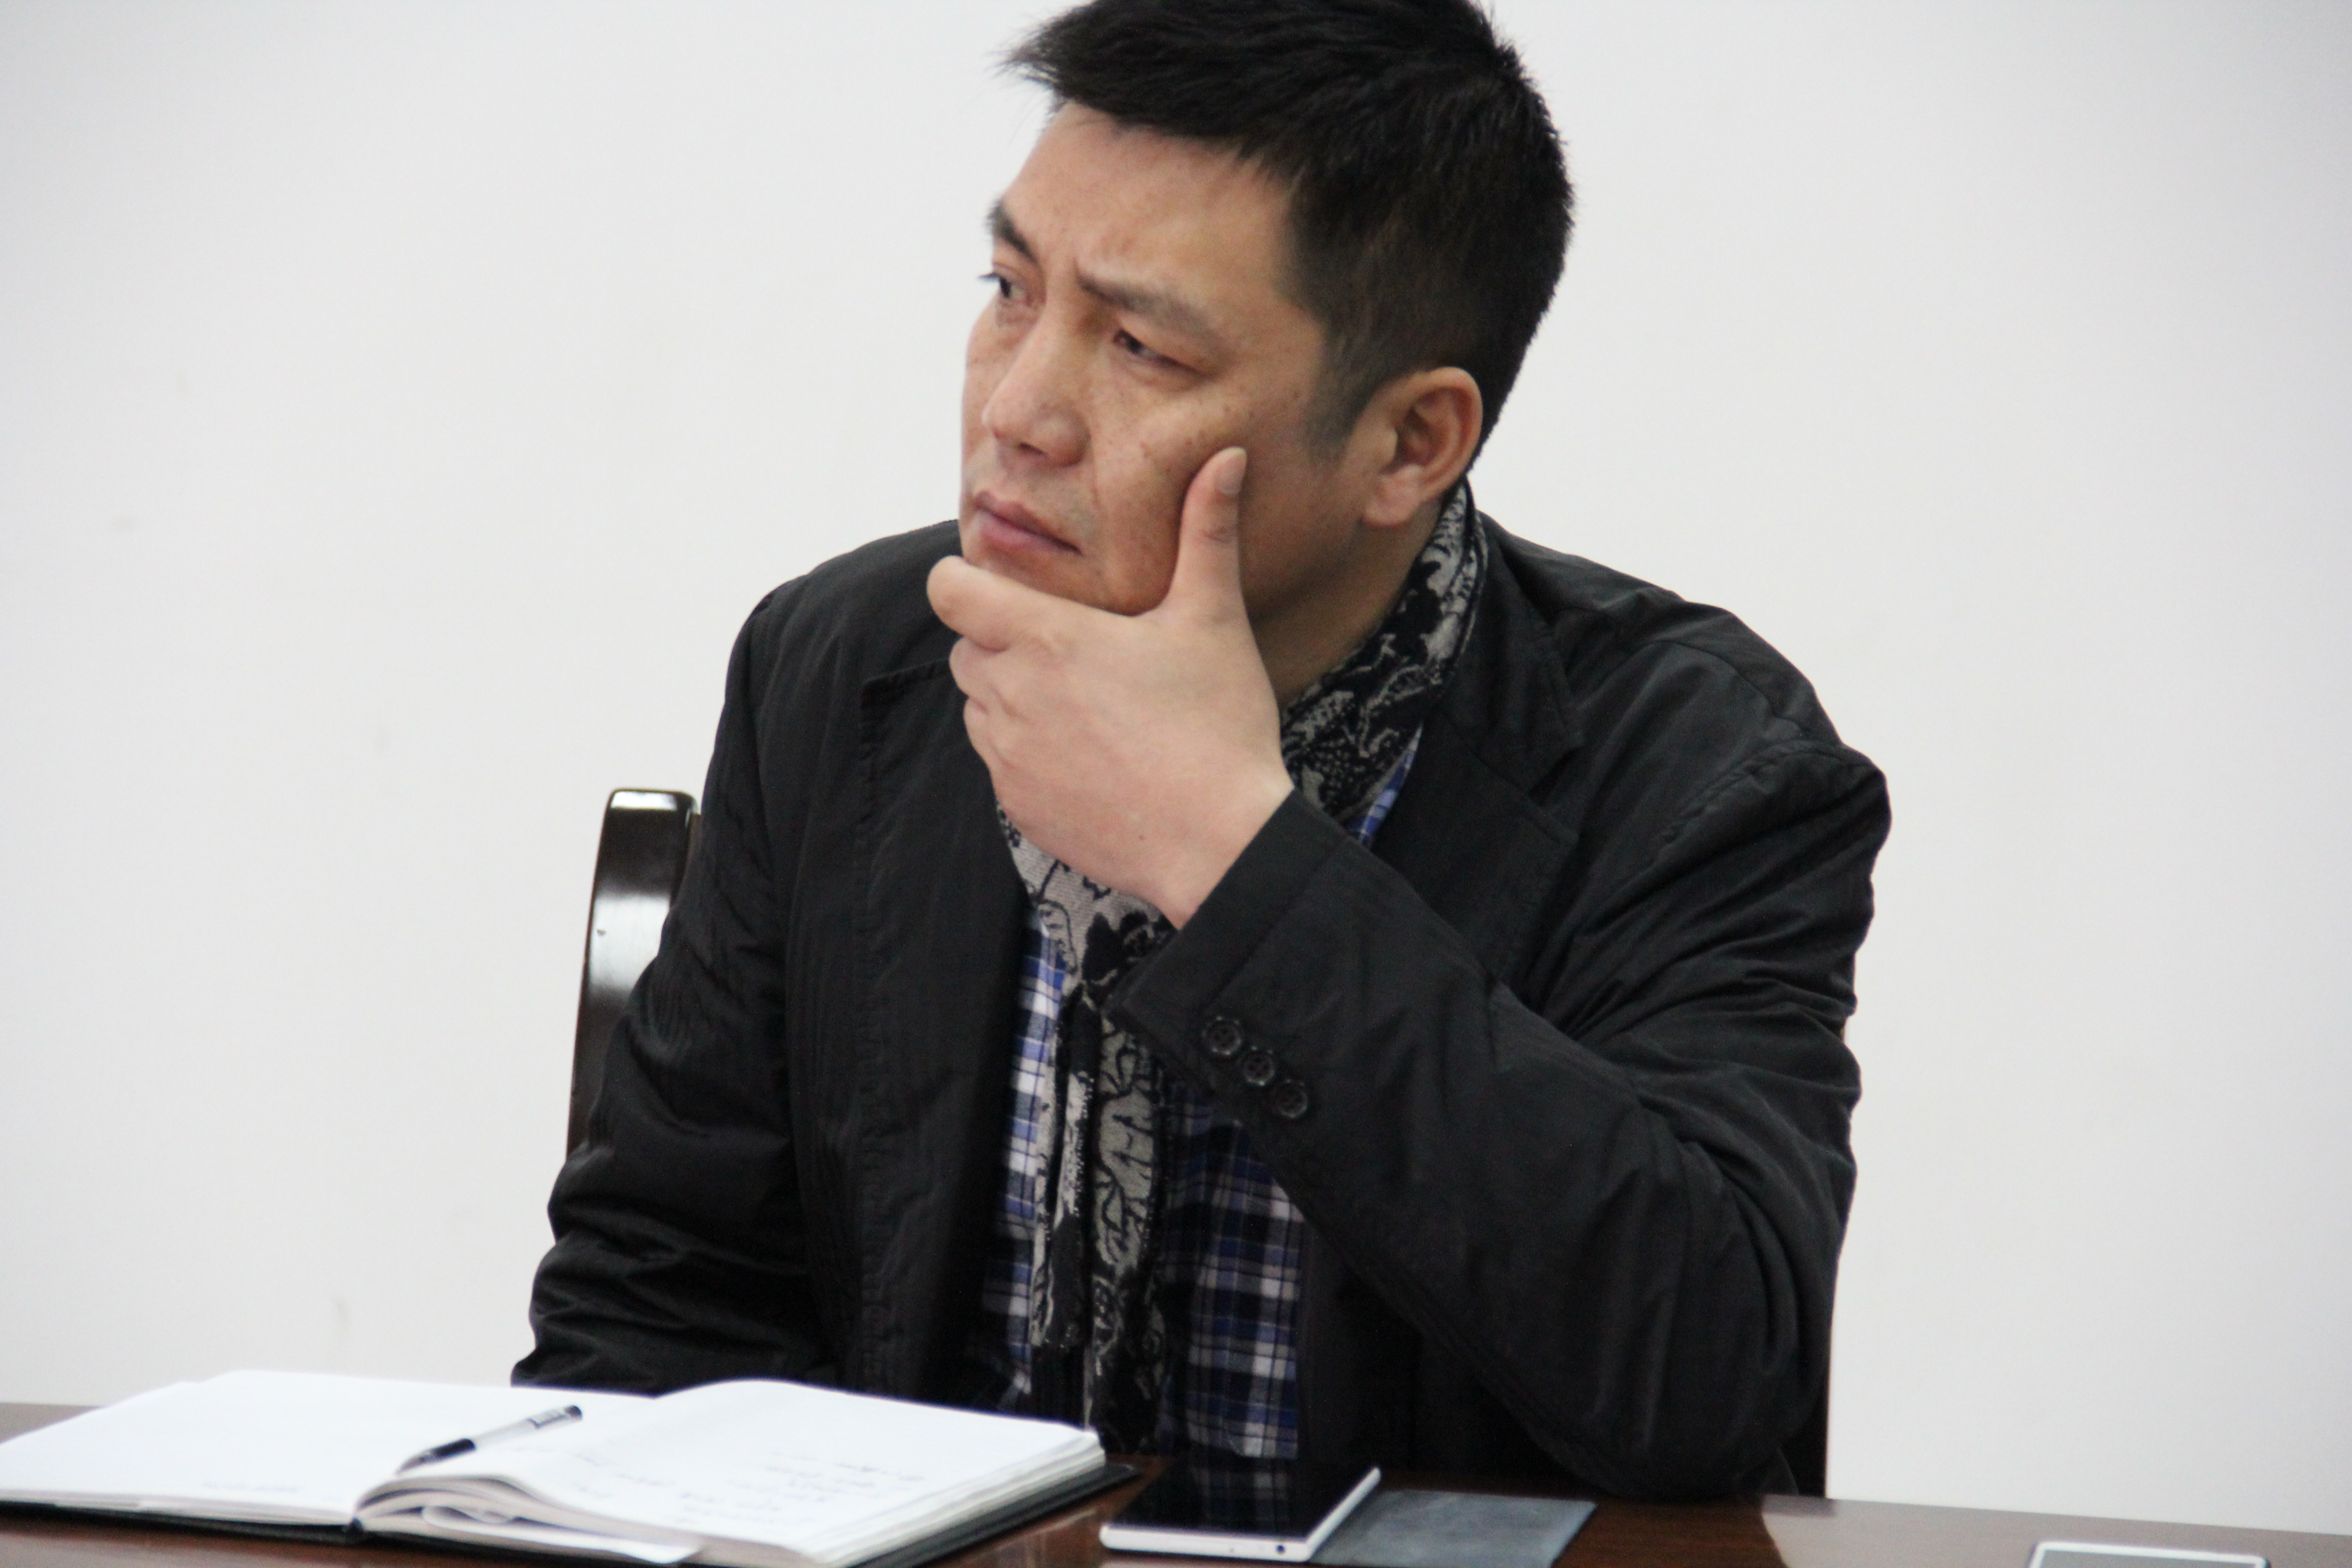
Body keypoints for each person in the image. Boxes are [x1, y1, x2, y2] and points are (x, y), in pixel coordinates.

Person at [518, 0, 1889, 1502]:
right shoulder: (850, 672)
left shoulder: (1695, 762)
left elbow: (1706, 1376)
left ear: (1410, 444)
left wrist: (1236, 856)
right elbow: (657, 1309)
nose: (1018, 409)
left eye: (1142, 347)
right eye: (1009, 290)